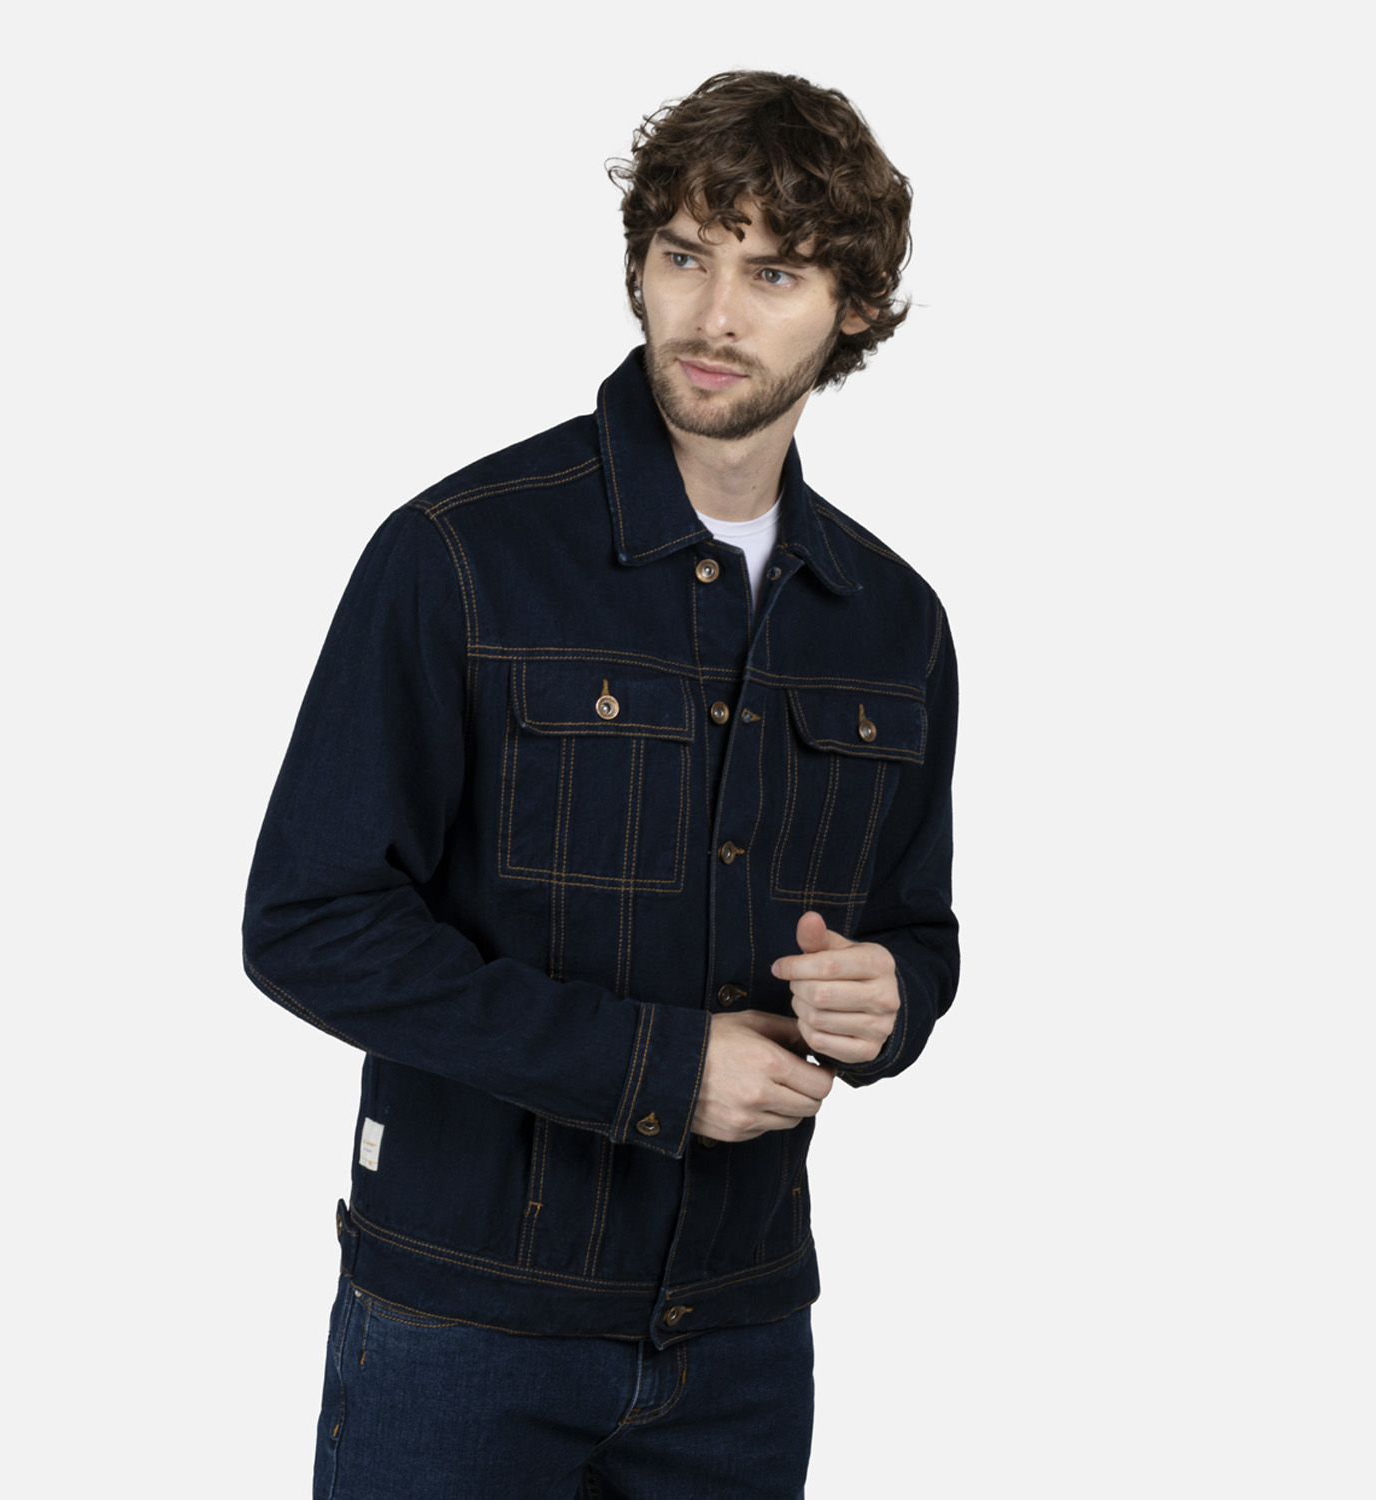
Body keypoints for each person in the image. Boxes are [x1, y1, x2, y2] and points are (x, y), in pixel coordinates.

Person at [244, 69, 960, 1500]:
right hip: (462, 1324)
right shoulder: (458, 555)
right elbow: (310, 922)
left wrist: (894, 1000)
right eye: (686, 256)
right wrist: (660, 1070)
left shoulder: (891, 620)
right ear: (639, 265)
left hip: (741, 1342)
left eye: (775, 272)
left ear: (857, 307)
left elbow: (915, 932)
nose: (715, 314)